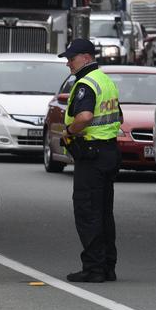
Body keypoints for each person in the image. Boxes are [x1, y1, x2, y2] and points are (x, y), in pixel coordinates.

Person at [59, 38, 122, 283]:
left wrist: (69, 132)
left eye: (71, 59)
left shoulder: (86, 84)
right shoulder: (106, 81)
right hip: (108, 152)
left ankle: (94, 268)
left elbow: (84, 116)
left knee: (88, 212)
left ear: (86, 58)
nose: (68, 64)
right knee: (104, 212)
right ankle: (107, 266)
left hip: (92, 154)